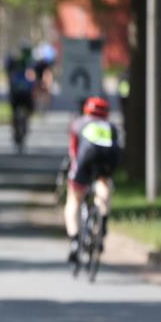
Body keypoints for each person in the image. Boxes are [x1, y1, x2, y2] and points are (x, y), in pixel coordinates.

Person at [65, 96, 121, 263]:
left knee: (73, 200)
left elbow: (73, 152)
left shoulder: (79, 123)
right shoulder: (111, 126)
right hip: (108, 159)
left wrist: (73, 175)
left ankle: (75, 241)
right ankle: (102, 222)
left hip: (86, 157)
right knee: (104, 183)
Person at [6, 44, 35, 147]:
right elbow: (32, 76)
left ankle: (16, 126)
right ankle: (21, 125)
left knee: (15, 112)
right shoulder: (28, 62)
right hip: (24, 92)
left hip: (17, 92)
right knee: (27, 109)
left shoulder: (13, 62)